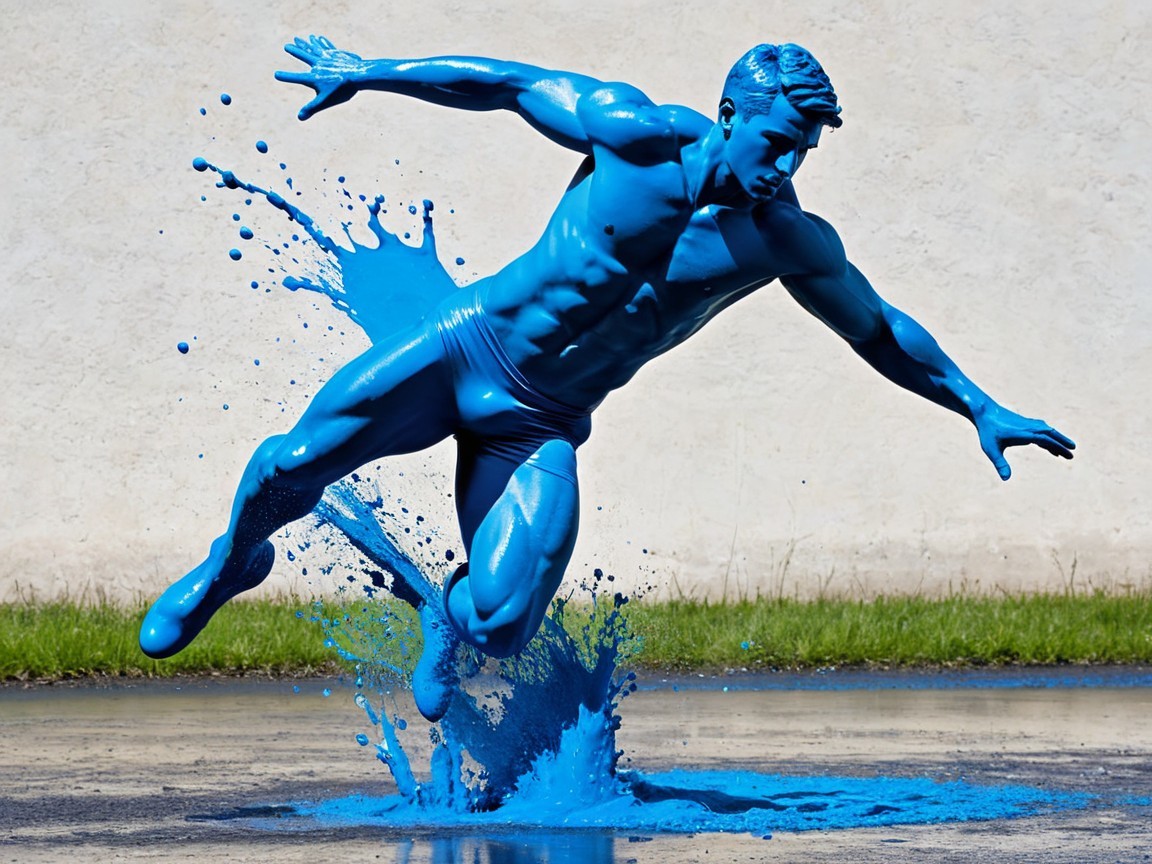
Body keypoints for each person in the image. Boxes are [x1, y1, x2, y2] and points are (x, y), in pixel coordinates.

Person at [141, 36, 1074, 720]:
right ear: (731, 116)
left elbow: (879, 329)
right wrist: (367, 73)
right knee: (287, 467)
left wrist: (979, 407)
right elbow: (508, 85)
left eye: (805, 152)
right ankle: (233, 564)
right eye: (777, 141)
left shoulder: (782, 240)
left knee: (501, 625)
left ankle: (443, 612)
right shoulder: (636, 138)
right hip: (465, 346)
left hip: (541, 421)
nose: (785, 166)